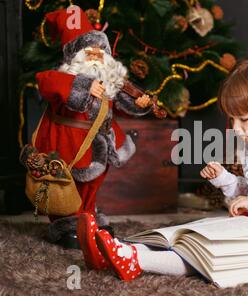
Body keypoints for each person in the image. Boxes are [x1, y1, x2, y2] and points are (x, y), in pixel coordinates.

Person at [77, 54, 248, 281]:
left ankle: (137, 259)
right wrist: (226, 180)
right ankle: (119, 248)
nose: (236, 128)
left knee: (207, 253)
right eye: (233, 119)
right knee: (195, 233)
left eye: (244, 119)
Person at [23, 6, 155, 250]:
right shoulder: (62, 77)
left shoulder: (109, 79)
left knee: (92, 185)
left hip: (99, 143)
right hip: (69, 144)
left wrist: (142, 102)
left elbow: (126, 98)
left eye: (99, 50)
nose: (95, 54)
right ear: (74, 56)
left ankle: (88, 217)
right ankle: (66, 224)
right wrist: (82, 85)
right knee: (68, 186)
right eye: (88, 50)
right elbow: (46, 80)